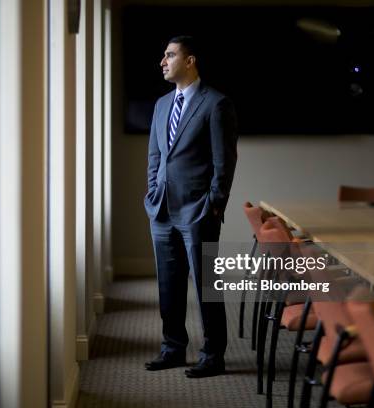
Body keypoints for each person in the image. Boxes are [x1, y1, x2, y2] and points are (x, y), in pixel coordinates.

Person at [143, 35, 238, 378]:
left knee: (206, 287)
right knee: (168, 285)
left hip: (198, 211)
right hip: (162, 211)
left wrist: (214, 205)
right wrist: (152, 193)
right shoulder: (161, 104)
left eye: (169, 55)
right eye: (163, 55)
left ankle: (213, 354)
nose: (163, 61)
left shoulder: (216, 104)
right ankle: (173, 348)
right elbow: (155, 156)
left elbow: (224, 162)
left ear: (190, 60)